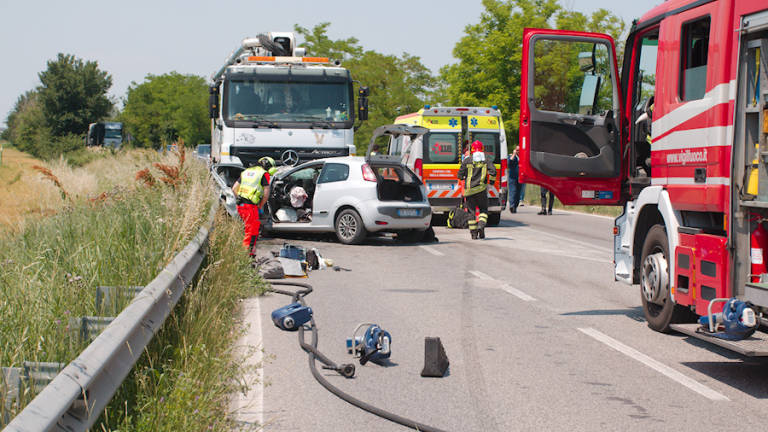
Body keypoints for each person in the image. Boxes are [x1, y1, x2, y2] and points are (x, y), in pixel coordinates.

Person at [232, 157, 276, 256]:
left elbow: (234, 188)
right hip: (250, 207)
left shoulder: (246, 172)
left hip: (241, 205)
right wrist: (260, 206)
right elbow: (266, 194)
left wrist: (239, 198)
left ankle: (246, 252)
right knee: (251, 232)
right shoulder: (263, 174)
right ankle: (246, 255)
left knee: (249, 229)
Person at [458, 140, 496, 240]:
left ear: (472, 150)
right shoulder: (486, 160)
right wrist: (490, 184)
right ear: (482, 149)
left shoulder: (467, 160)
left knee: (471, 212)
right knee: (483, 210)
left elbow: (460, 175)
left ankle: (473, 234)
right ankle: (481, 225)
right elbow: (493, 172)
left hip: (469, 191)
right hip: (481, 190)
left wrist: (465, 181)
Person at [507, 148, 526, 213]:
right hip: (512, 178)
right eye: (517, 150)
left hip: (520, 178)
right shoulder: (511, 156)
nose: (518, 151)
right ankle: (512, 206)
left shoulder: (523, 157)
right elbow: (509, 162)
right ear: (515, 150)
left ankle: (515, 206)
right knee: (513, 192)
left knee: (518, 193)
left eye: (519, 150)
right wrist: (514, 154)